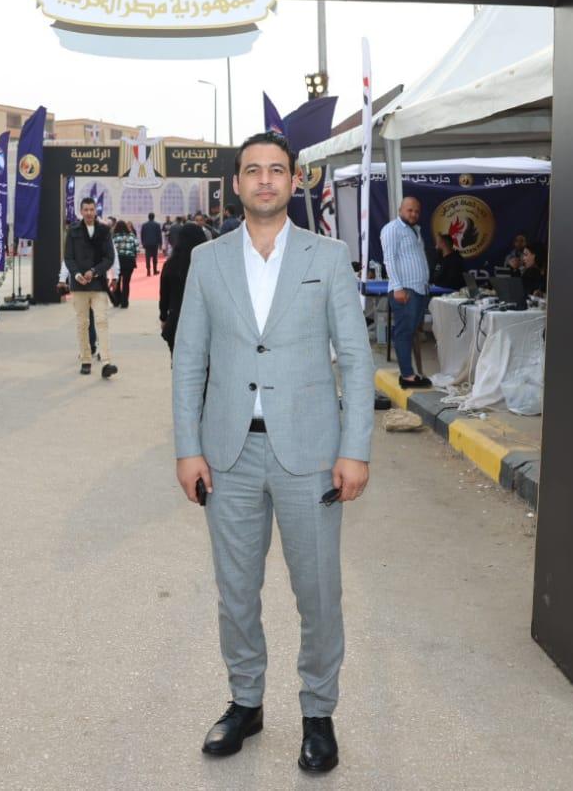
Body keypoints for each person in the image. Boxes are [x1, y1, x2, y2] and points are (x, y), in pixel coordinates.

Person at [172, 131, 374, 774]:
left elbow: (356, 359)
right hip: (227, 456)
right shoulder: (207, 261)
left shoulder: (329, 256)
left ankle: (318, 713)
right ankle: (246, 703)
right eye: (253, 170)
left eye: (277, 170)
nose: (265, 180)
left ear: (294, 181)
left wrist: (355, 448)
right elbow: (189, 360)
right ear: (236, 184)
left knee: (318, 593)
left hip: (310, 455)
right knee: (236, 591)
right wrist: (187, 448)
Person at [380, 196, 432, 389]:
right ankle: (407, 376)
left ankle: (411, 373)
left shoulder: (415, 230)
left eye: (417, 211)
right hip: (405, 290)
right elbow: (389, 259)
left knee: (410, 333)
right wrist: (398, 288)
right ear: (400, 210)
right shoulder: (392, 229)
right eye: (410, 210)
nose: (414, 214)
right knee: (403, 332)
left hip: (418, 289)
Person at [64, 197, 117, 378]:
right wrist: (76, 274)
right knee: (83, 323)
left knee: (102, 321)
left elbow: (109, 257)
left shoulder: (104, 230)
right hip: (79, 286)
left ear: (96, 211)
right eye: (85, 209)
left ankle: (107, 362)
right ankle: (86, 360)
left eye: (91, 209)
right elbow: (68, 257)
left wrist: (94, 271)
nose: (88, 213)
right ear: (81, 211)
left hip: (98, 284)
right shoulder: (73, 231)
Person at [158, 218, 209, 355]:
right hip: (204, 323)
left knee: (178, 362)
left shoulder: (170, 265)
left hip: (176, 320)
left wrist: (163, 317)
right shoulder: (208, 264)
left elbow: (164, 294)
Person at [112, 220, 139, 308]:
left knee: (117, 281)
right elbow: (137, 249)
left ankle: (117, 301)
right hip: (129, 261)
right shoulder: (132, 235)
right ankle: (125, 303)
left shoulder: (114, 236)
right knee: (126, 283)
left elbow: (110, 250)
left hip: (117, 261)